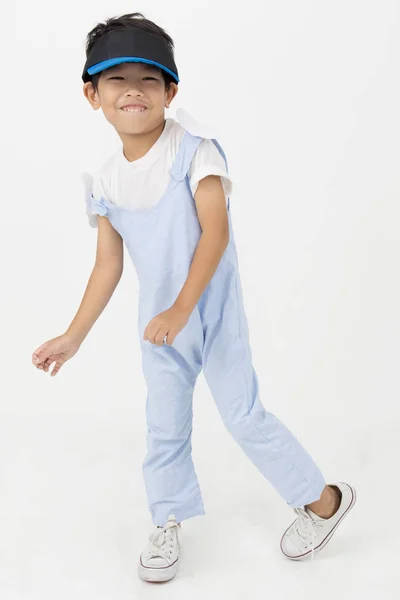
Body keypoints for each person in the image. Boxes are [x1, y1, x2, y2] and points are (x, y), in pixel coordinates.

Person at [32, 12, 356, 583]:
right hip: (159, 327)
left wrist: (184, 308)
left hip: (210, 312)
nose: (133, 89)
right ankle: (167, 522)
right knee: (164, 427)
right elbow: (107, 266)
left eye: (149, 79)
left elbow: (216, 232)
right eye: (116, 79)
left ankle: (324, 500)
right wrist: (73, 336)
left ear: (170, 91)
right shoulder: (106, 182)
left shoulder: (194, 150)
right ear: (92, 94)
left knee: (243, 415)